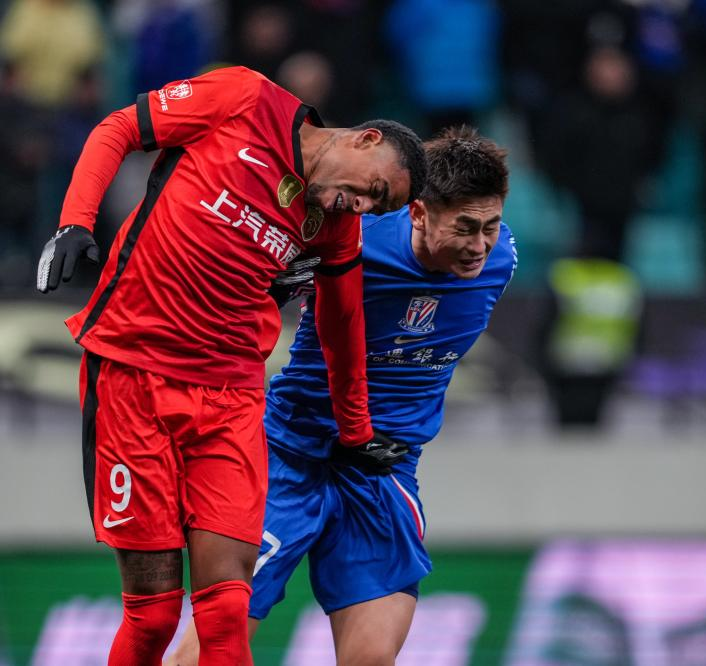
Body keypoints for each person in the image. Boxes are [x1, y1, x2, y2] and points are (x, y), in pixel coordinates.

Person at [35, 65, 426, 665]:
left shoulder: (334, 226)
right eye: (375, 189)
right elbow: (119, 128)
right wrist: (75, 221)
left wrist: (356, 431)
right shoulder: (246, 98)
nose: (364, 206)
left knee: (224, 612)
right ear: (365, 139)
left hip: (231, 399)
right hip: (132, 374)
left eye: (379, 208)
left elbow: (342, 327)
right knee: (154, 614)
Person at [166, 126, 514, 664]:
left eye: (490, 226)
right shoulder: (352, 241)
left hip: (382, 471)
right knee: (207, 651)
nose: (479, 245)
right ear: (418, 212)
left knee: (371, 659)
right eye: (465, 228)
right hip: (289, 456)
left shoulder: (502, 259)